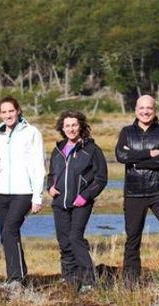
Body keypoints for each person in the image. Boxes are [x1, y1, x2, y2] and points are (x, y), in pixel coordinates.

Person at [115, 95, 159, 286]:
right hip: (133, 193)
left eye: (149, 108)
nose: (145, 111)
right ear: (136, 109)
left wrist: (134, 158)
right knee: (133, 238)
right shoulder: (126, 131)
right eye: (141, 108)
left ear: (155, 110)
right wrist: (148, 153)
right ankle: (130, 281)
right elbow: (121, 155)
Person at [47, 110, 107, 292]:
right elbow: (51, 175)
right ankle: (70, 279)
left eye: (74, 125)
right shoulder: (57, 150)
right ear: (62, 128)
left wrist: (86, 195)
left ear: (80, 126)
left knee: (75, 238)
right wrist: (49, 187)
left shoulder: (92, 150)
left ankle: (90, 280)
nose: (71, 129)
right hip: (59, 203)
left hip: (81, 203)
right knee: (64, 242)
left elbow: (101, 178)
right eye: (67, 126)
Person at [0, 96, 45, 288]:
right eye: (4, 112)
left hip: (24, 192)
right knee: (6, 235)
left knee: (10, 229)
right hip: (2, 193)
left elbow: (39, 165)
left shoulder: (31, 132)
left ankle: (16, 277)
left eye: (11, 111)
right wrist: (0, 183)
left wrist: (37, 196)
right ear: (0, 114)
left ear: (18, 111)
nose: (8, 115)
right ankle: (15, 274)